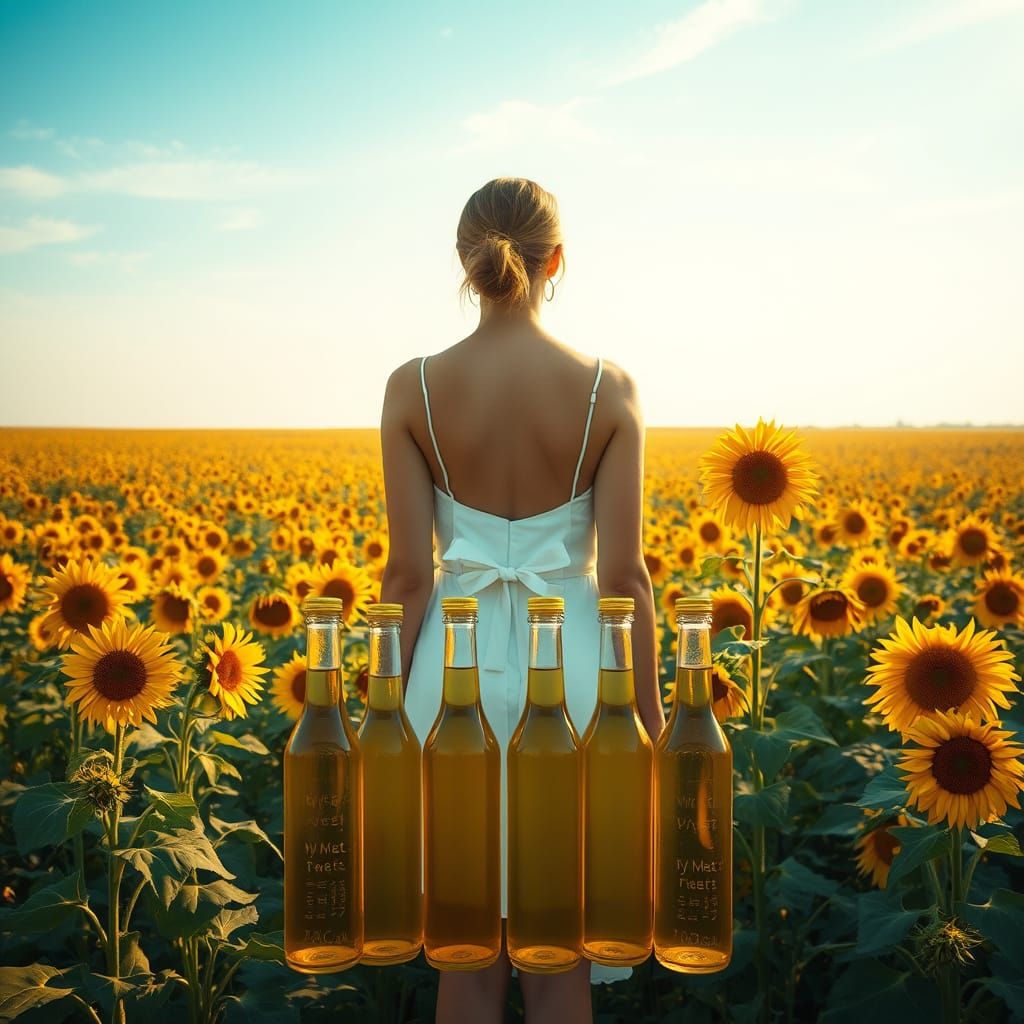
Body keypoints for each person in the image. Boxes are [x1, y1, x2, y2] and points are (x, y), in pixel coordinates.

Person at [379, 176, 663, 1024]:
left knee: (463, 956)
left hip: (447, 682)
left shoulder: (413, 387)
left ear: (464, 262)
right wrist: (647, 728)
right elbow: (624, 579)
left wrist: (379, 720)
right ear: (558, 260)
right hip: (574, 683)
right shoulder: (608, 389)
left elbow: (406, 576)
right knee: (558, 954)